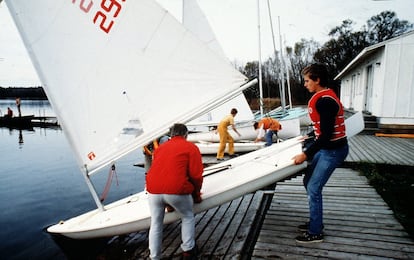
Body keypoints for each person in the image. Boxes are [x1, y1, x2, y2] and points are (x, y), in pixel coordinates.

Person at [292, 63, 349, 243]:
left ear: (317, 80)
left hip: (333, 151)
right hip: (326, 148)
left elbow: (326, 136)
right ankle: (315, 221)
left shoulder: (325, 101)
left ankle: (316, 232)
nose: (305, 84)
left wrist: (306, 154)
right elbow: (322, 129)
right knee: (308, 181)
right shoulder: (323, 97)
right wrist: (307, 136)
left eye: (307, 80)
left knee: (314, 188)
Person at [146, 123, 203, 260]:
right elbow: (196, 176)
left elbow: (161, 172)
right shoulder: (190, 147)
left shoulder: (159, 149)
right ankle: (188, 250)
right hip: (176, 191)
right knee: (187, 216)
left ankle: (154, 257)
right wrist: (196, 195)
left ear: (171, 135)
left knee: (156, 223)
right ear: (186, 134)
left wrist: (168, 204)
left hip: (153, 190)